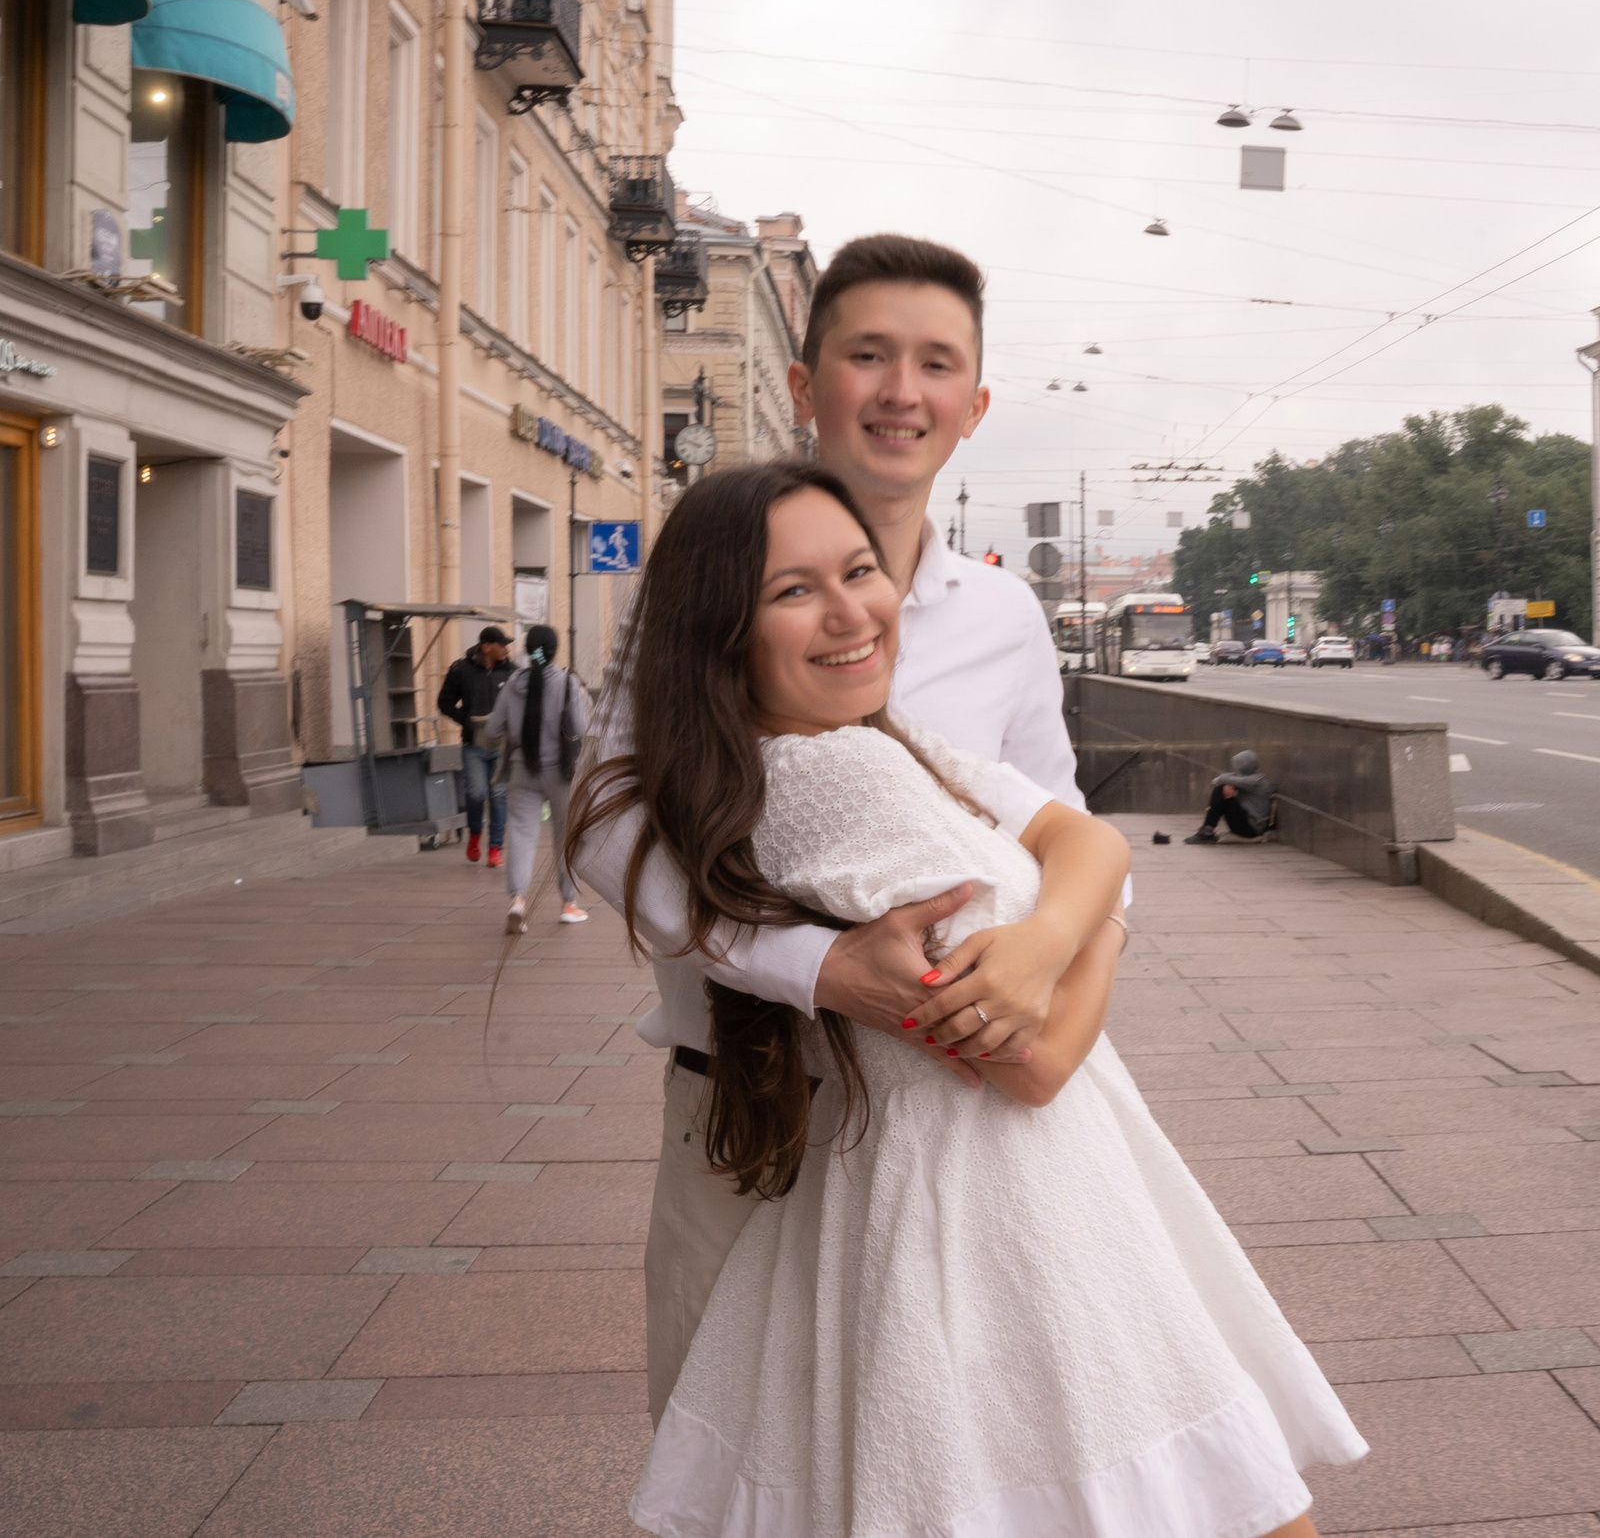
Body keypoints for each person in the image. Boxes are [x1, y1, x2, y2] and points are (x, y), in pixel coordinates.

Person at [581, 465, 1363, 1538]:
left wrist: (1047, 940)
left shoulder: (880, 742)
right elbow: (1032, 1063)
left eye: (861, 571)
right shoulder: (838, 779)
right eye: (794, 591)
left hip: (977, 1186)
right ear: (720, 633)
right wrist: (1099, 932)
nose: (851, 611)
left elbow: (1090, 837)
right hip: (1001, 1203)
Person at [569, 234, 1110, 1426]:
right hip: (752, 1112)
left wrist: (1046, 948)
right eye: (869, 355)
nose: (901, 392)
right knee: (732, 1459)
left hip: (956, 1127)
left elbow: (1065, 830)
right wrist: (812, 967)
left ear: (973, 406)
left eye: (936, 364)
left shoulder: (1003, 614)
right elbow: (606, 822)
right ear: (806, 386)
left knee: (956, 1455)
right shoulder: (706, 576)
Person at [483, 623, 592, 933]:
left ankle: (518, 901)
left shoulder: (513, 684)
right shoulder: (568, 682)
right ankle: (568, 904)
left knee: (521, 834)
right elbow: (582, 728)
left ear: (528, 650)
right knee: (566, 836)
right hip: (561, 772)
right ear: (555, 650)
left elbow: (492, 731)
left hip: (523, 769)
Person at [435, 625, 514, 868]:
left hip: (501, 746)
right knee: (476, 793)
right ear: (486, 647)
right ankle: (475, 834)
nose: (506, 649)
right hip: (474, 745)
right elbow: (444, 702)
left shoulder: (511, 671)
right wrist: (465, 721)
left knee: (499, 796)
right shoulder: (461, 669)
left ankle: (495, 848)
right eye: (502, 645)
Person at [1186, 749, 1274, 844]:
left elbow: (1219, 780)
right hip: (1247, 823)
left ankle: (1206, 832)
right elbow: (1219, 780)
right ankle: (1207, 830)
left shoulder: (1254, 782)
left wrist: (1226, 784)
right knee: (1222, 789)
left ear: (1241, 767)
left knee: (1220, 790)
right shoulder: (1255, 778)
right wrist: (1228, 784)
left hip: (1251, 829)